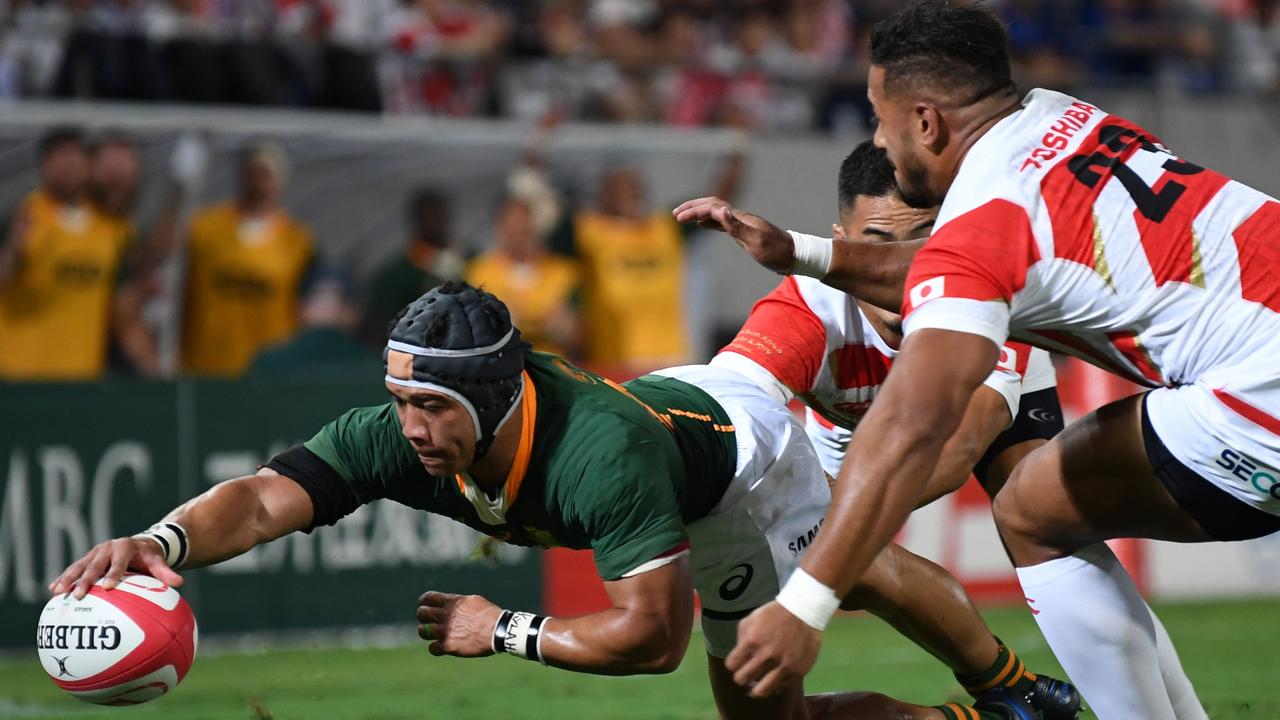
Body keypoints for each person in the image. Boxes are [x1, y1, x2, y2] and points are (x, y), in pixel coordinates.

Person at [53, 280, 1068, 720]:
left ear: (495, 401)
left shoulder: (599, 461)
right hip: (688, 401)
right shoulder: (401, 435)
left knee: (831, 598)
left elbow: (650, 640)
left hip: (742, 468)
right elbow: (268, 499)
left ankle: (1017, 693)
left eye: (432, 406)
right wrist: (161, 543)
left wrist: (502, 630)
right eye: (398, 399)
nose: (408, 427)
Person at [696, 3, 1255, 718]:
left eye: (878, 115)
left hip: (1254, 395)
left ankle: (1019, 692)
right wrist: (803, 252)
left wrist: (805, 603)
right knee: (1049, 507)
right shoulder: (1064, 117)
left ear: (924, 123)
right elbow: (941, 262)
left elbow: (922, 427)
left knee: (1031, 511)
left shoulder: (978, 233)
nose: (877, 137)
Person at [712, 141, 1061, 506]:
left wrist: (831, 508)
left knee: (1037, 509)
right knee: (833, 546)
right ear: (841, 246)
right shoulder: (806, 307)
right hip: (846, 432)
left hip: (977, 408)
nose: (903, 270)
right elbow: (721, 405)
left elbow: (958, 450)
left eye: (920, 244)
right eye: (877, 246)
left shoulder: (987, 286)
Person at [0, 126, 132, 380]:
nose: (68, 166)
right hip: (19, 377)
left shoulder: (111, 227)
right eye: (58, 157)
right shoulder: (23, 216)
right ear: (43, 166)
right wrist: (14, 249)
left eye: (74, 156)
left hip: (81, 379)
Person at [180, 141, 314, 377]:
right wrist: (179, 192)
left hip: (267, 373)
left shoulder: (297, 240)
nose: (260, 180)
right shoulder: (205, 227)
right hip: (207, 368)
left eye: (268, 172)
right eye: (255, 171)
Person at [466, 195, 581, 357]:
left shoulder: (563, 272)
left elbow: (580, 336)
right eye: (513, 228)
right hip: (502, 370)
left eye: (524, 229)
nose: (519, 236)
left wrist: (567, 328)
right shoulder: (479, 272)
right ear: (500, 228)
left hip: (552, 367)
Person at [359, 187, 462, 348]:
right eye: (428, 216)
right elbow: (378, 326)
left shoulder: (469, 261)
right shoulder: (397, 274)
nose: (435, 223)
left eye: (438, 215)